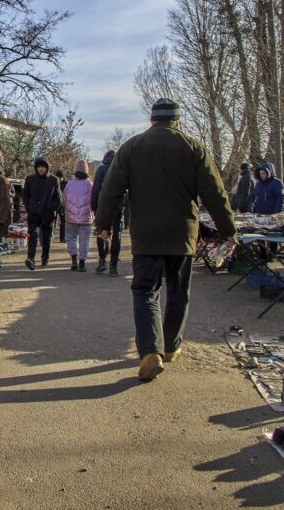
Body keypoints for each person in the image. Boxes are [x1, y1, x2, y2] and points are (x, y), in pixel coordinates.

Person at [96, 98, 235, 382]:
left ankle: (150, 352)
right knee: (178, 290)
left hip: (146, 233)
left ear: (152, 119)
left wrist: (103, 224)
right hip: (182, 233)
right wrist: (227, 230)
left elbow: (111, 190)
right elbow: (214, 193)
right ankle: (171, 346)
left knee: (145, 290)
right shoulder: (193, 147)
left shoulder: (131, 148)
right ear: (177, 120)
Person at [21, 158, 61, 270]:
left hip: (47, 213)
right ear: (36, 168)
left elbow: (58, 198)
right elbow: (25, 196)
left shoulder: (53, 180)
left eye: (43, 167)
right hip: (33, 213)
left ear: (47, 168)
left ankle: (45, 258)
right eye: (39, 167)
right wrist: (29, 207)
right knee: (32, 235)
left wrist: (51, 208)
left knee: (46, 238)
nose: (41, 169)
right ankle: (31, 259)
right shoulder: (30, 179)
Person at [91, 150, 123, 276]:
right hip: (118, 205)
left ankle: (102, 260)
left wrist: (94, 207)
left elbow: (96, 189)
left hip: (103, 205)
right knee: (117, 234)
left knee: (101, 232)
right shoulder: (121, 169)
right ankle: (113, 266)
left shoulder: (101, 169)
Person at [63, 159, 93, 272]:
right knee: (84, 240)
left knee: (71, 237)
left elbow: (64, 200)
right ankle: (82, 263)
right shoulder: (90, 185)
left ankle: (74, 259)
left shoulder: (69, 184)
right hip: (86, 218)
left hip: (71, 217)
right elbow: (94, 200)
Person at [56, 168, 68, 242]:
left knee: (63, 222)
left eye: (60, 177)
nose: (59, 179)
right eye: (58, 177)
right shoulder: (55, 182)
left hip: (64, 205)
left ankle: (62, 238)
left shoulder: (67, 184)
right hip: (56, 204)